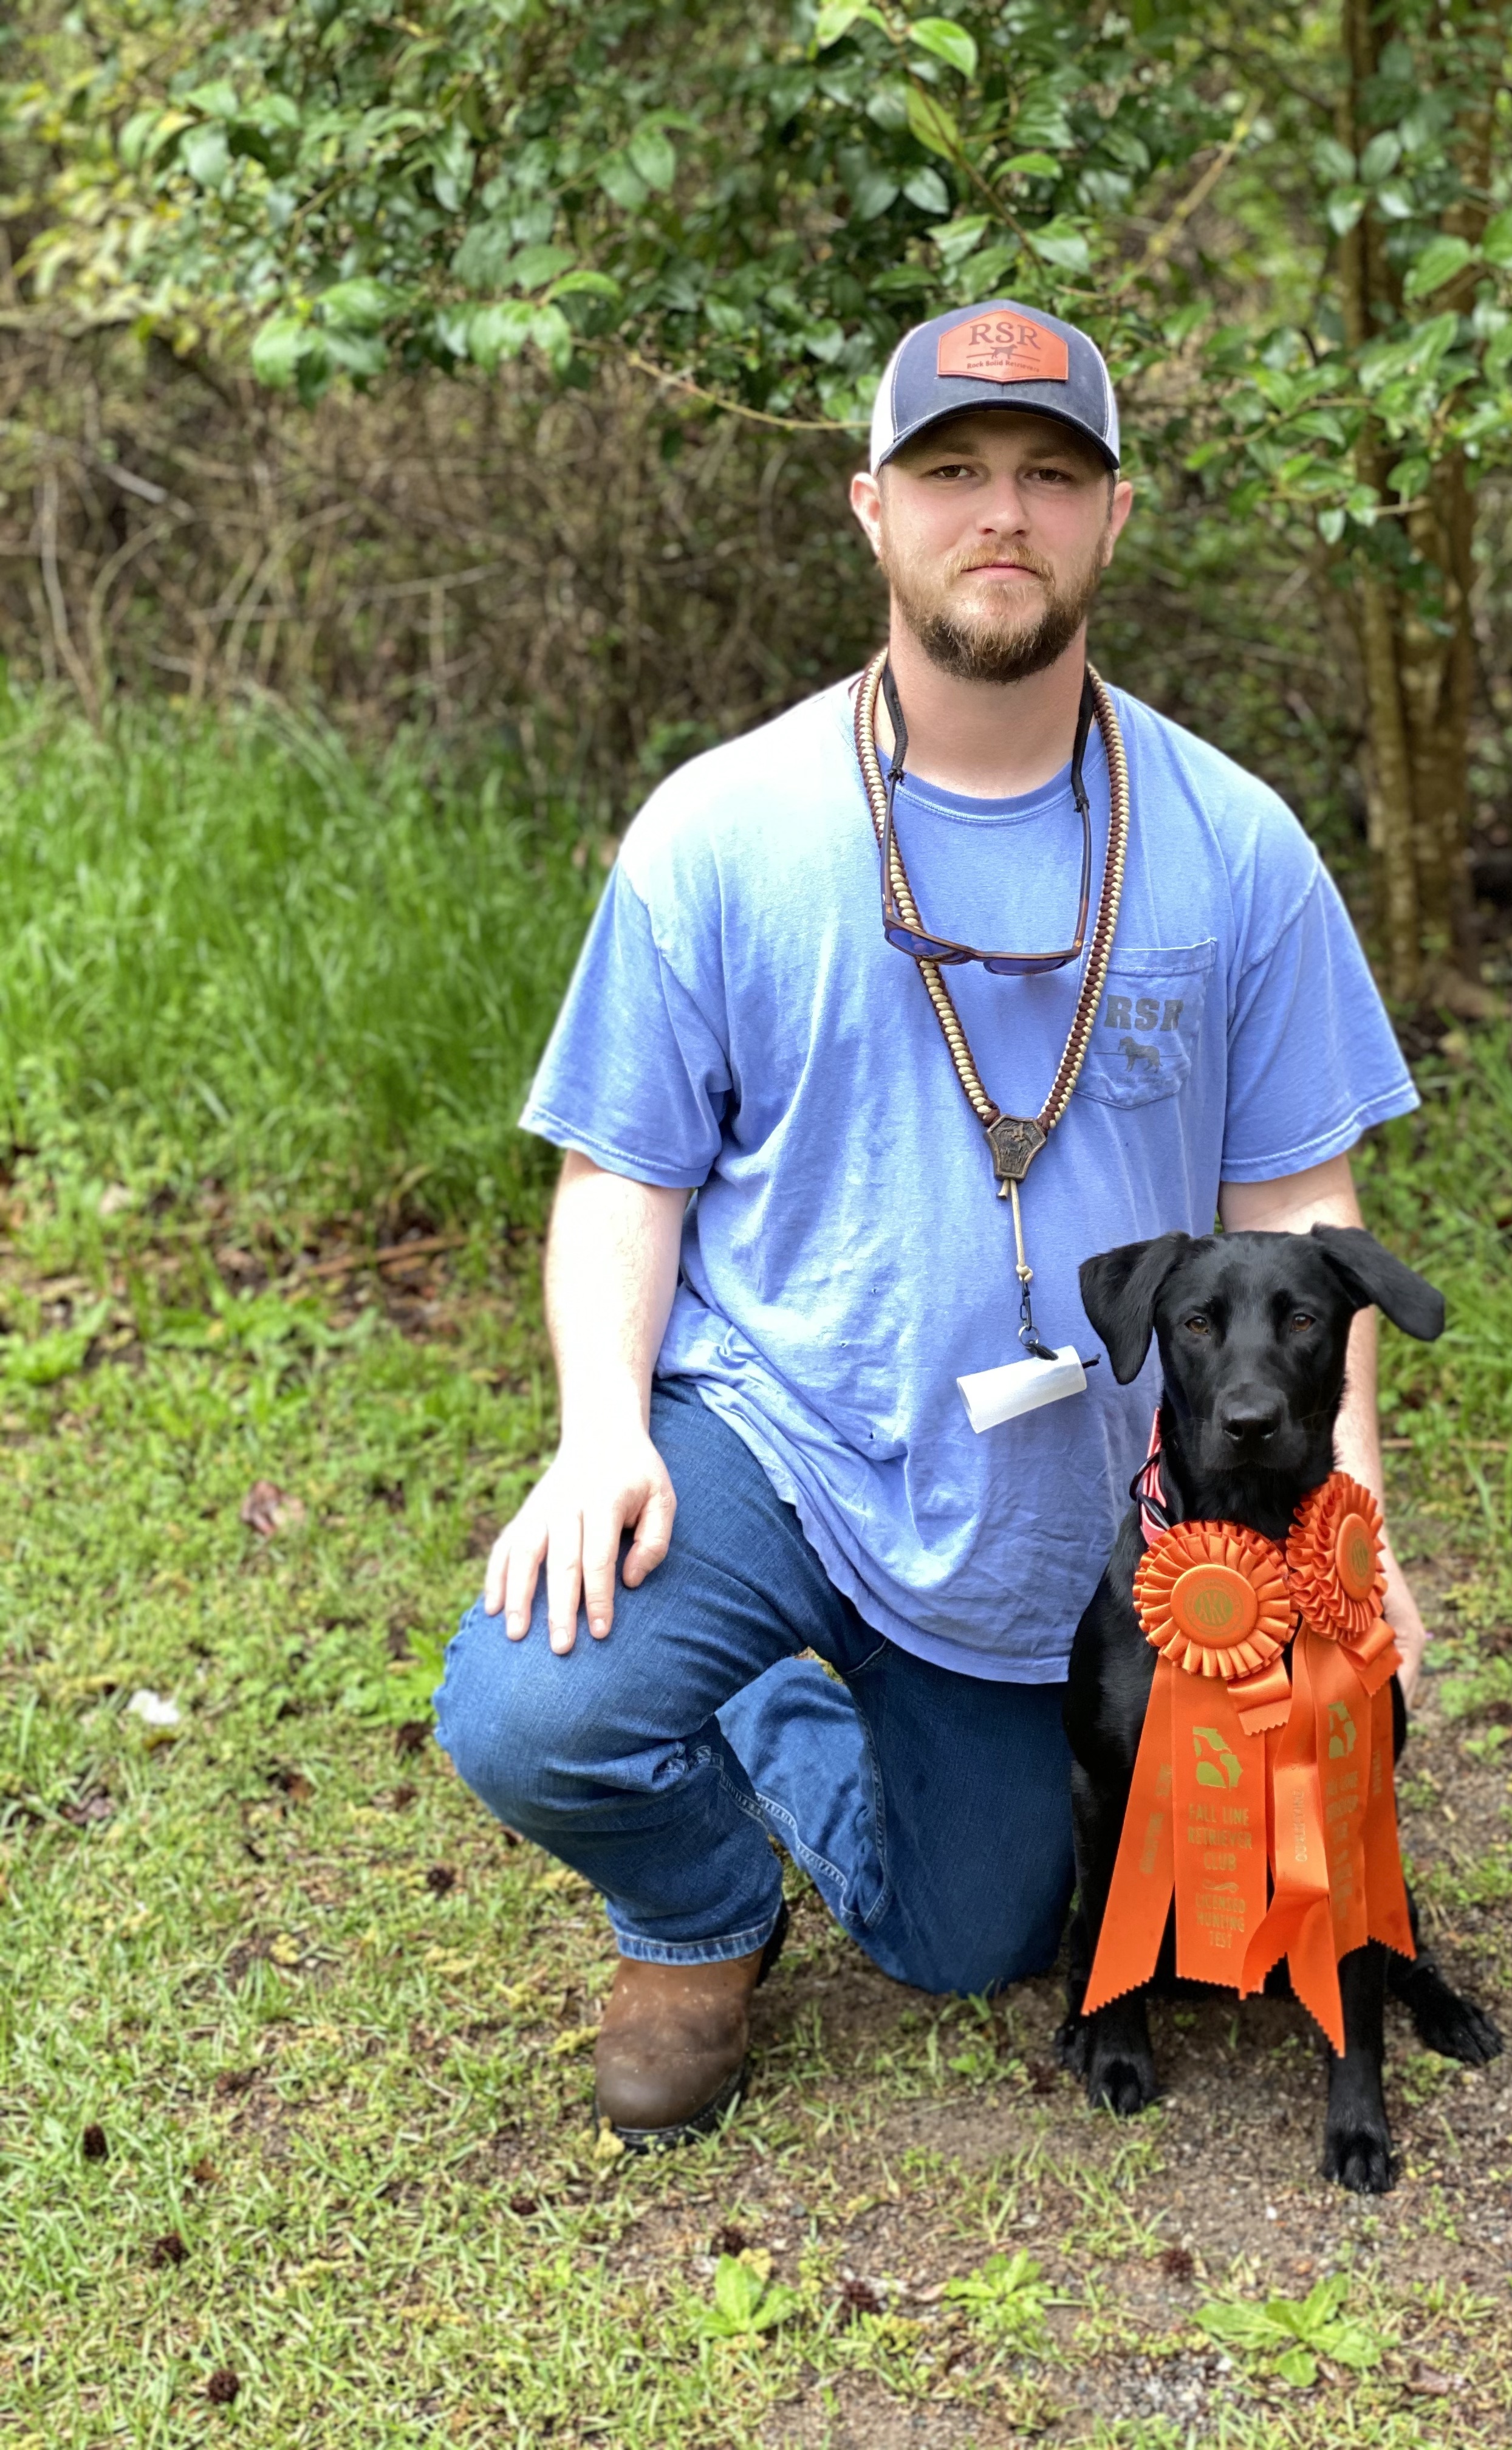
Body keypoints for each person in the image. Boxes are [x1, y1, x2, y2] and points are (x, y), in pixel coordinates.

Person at [434, 300, 1428, 2149]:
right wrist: (596, 1434)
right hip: (779, 1428)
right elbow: (620, 1177)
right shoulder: (719, 829)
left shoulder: (1239, 846)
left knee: (978, 1936)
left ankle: (791, 1726)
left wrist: (1345, 1534)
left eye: (1053, 476)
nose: (1005, 514)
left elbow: (1298, 1206)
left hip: (1082, 1514)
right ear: (870, 508)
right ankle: (695, 1913)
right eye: (955, 471)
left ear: (1114, 520)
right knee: (531, 1707)